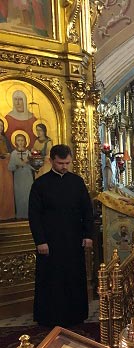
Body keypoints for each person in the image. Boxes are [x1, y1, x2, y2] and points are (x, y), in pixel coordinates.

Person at [28, 144, 93, 327]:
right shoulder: (40, 185)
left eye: (67, 163)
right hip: (50, 241)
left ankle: (76, 315)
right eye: (60, 163)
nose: (64, 166)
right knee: (52, 279)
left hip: (74, 240)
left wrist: (88, 235)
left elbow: (87, 211)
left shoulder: (77, 182)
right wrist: (40, 241)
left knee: (73, 277)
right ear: (51, 161)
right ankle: (50, 317)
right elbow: (34, 216)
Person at [8, 133, 35, 219]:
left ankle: (28, 215)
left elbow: (33, 166)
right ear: (15, 142)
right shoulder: (13, 153)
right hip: (18, 178)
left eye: (22, 140)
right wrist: (21, 163)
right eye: (18, 140)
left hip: (27, 176)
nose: (20, 142)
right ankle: (20, 215)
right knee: (19, 196)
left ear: (25, 142)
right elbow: (10, 167)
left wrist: (30, 162)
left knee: (28, 195)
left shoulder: (28, 152)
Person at [0, 119, 14, 220]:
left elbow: (11, 151)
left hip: (6, 166)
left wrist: (9, 154)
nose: (0, 128)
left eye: (1, 126)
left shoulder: (5, 138)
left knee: (7, 188)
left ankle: (7, 213)